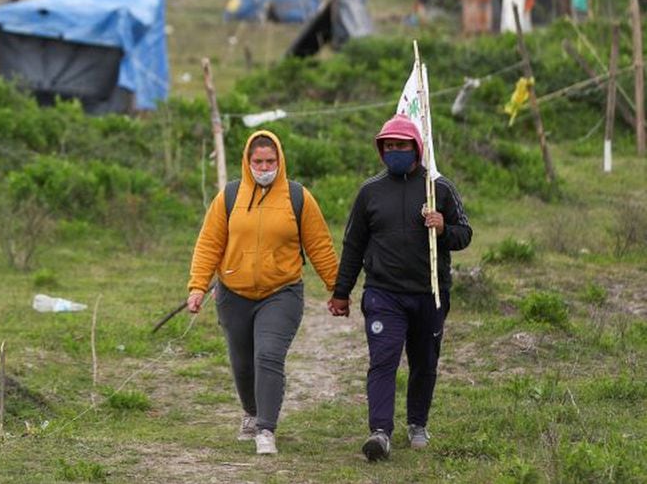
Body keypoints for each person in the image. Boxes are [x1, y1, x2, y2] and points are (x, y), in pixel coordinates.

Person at [327, 114, 472, 461]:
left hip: (430, 293)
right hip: (383, 294)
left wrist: (442, 228)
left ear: (417, 148)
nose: (395, 152)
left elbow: (464, 234)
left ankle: (417, 424)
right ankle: (380, 433)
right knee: (383, 360)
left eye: (401, 146)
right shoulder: (369, 192)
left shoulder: (439, 188)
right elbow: (353, 245)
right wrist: (341, 291)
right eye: (388, 146)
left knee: (424, 362)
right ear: (381, 150)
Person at [187, 130, 339, 455]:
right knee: (242, 362)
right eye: (258, 161)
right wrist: (198, 287)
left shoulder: (298, 198)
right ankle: (251, 412)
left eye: (270, 161)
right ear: (247, 161)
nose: (265, 166)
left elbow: (320, 245)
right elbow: (209, 244)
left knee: (268, 354)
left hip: (281, 292)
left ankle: (265, 429)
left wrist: (336, 289)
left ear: (280, 160)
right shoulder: (229, 197)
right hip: (233, 293)